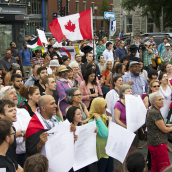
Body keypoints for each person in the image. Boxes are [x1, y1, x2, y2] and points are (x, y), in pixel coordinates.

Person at [0, 87, 31, 167]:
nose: (14, 113)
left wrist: (15, 165)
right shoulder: (3, 131)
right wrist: (23, 133)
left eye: (14, 110)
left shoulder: (12, 127)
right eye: (10, 111)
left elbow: (31, 132)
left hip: (15, 160)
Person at [114, 84, 139, 172]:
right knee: (123, 151)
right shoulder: (118, 104)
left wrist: (137, 100)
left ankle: (130, 169)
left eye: (131, 91)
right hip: (124, 130)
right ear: (123, 93)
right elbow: (117, 120)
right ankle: (123, 170)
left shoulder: (133, 101)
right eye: (128, 91)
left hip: (134, 130)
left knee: (132, 150)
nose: (131, 92)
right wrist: (127, 128)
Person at [66, 106, 98, 172]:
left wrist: (93, 133)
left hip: (85, 160)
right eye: (78, 114)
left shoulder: (83, 127)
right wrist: (71, 140)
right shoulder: (67, 130)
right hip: (74, 163)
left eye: (81, 113)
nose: (81, 116)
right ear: (72, 116)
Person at [146, 92, 172, 172]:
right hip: (158, 145)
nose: (162, 101)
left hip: (155, 143)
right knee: (165, 167)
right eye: (159, 100)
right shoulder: (154, 112)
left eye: (162, 99)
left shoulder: (155, 110)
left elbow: (160, 125)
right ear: (153, 102)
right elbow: (164, 129)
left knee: (155, 167)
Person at [88, 97, 113, 172]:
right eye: (105, 106)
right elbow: (105, 134)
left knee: (110, 169)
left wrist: (110, 121)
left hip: (109, 150)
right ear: (98, 107)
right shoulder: (91, 121)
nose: (107, 107)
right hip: (101, 153)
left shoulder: (104, 116)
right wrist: (98, 119)